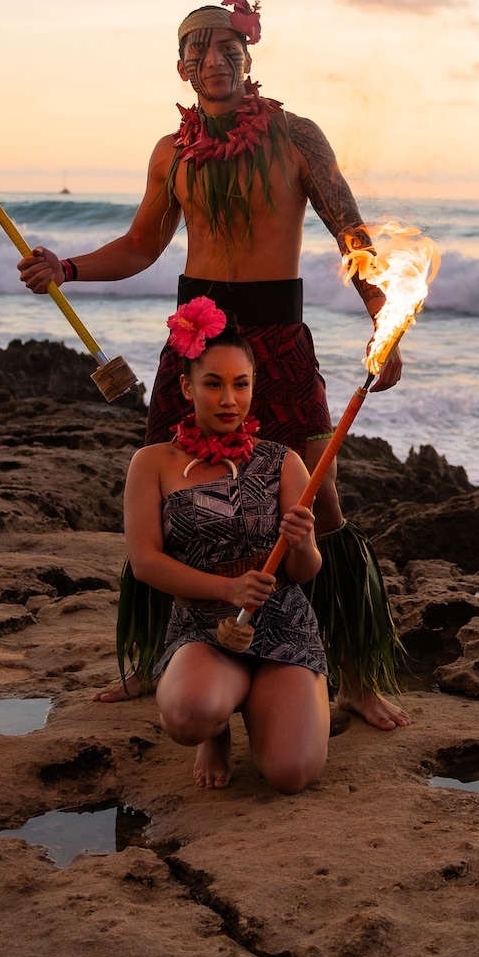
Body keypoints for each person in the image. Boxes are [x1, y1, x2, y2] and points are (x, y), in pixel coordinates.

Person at [17, 0, 411, 730]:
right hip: (195, 337)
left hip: (278, 337)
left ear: (249, 58)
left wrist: (382, 321)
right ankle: (152, 660)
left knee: (321, 500)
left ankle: (354, 673)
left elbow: (350, 234)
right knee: (166, 492)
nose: (215, 61)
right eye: (198, 51)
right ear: (181, 67)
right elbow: (142, 246)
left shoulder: (297, 137)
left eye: (229, 49)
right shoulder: (171, 152)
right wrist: (65, 268)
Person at [122, 306, 328, 792]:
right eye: (213, 384)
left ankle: (267, 701)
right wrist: (227, 589)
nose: (229, 399)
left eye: (241, 384)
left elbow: (305, 570)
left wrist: (301, 542)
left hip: (282, 625)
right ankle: (215, 731)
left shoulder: (283, 462)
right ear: (186, 387)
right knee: (189, 715)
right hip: (203, 627)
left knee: (291, 775)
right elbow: (146, 562)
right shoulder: (153, 463)